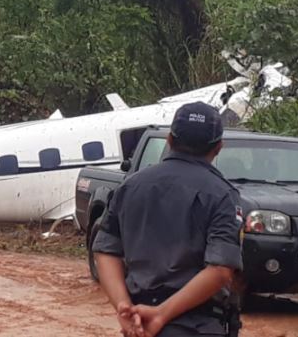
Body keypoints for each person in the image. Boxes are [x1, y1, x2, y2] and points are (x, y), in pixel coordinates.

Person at [92, 102, 243, 337]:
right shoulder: (222, 195)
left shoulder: (131, 186)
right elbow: (220, 270)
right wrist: (161, 314)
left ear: (170, 140)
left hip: (139, 325)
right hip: (196, 326)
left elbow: (105, 251)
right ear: (218, 147)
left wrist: (124, 307)